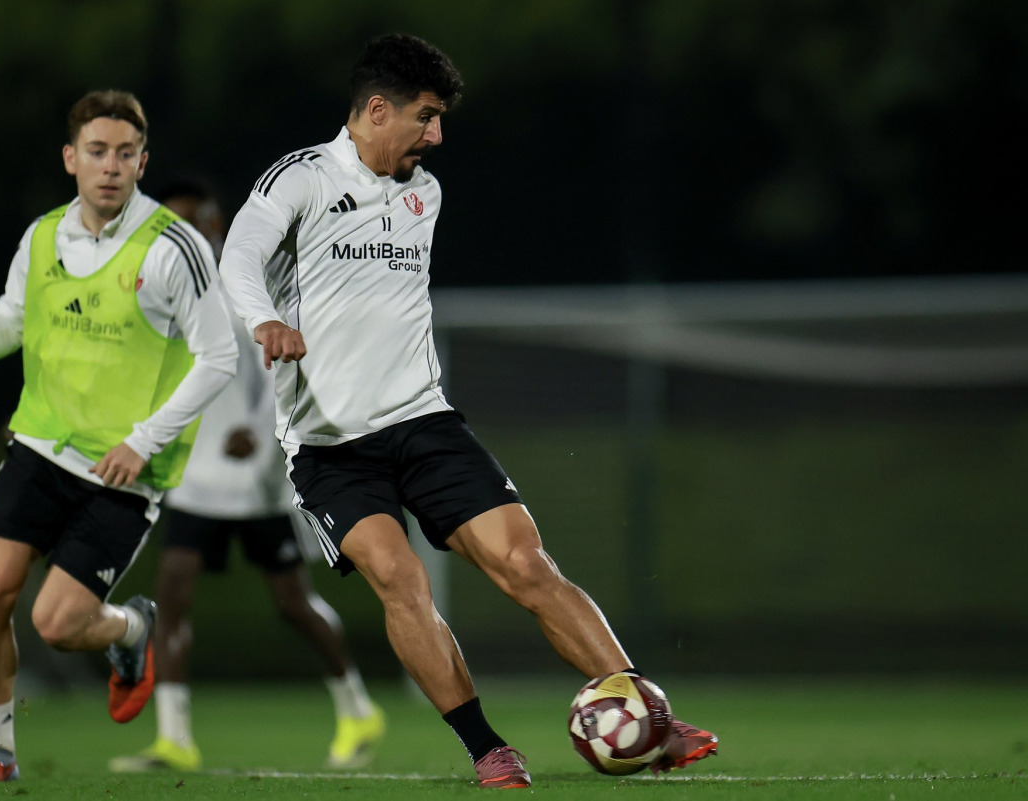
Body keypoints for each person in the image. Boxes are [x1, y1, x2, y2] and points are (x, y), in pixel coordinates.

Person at [219, 34, 719, 789]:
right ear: (376, 110)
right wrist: (264, 321)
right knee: (401, 579)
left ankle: (647, 709)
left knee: (527, 564)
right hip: (329, 447)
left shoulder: (425, 192)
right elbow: (239, 258)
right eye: (425, 117)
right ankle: (487, 745)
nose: (438, 135)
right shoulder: (304, 179)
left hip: (424, 422)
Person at [0, 90, 239, 783]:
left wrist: (144, 441)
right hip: (40, 446)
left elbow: (220, 357)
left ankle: (131, 629)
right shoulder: (42, 236)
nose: (111, 166)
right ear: (71, 158)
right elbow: (13, 316)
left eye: (126, 154)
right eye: (97, 151)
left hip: (123, 472)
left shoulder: (173, 248)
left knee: (58, 624)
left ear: (142, 161)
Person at [109, 179, 384, 773]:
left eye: (190, 221)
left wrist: (264, 436)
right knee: (174, 595)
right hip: (193, 480)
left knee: (293, 602)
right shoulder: (155, 291)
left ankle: (357, 706)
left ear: (214, 222)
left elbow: (285, 363)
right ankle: (175, 738)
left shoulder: (241, 285)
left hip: (253, 479)